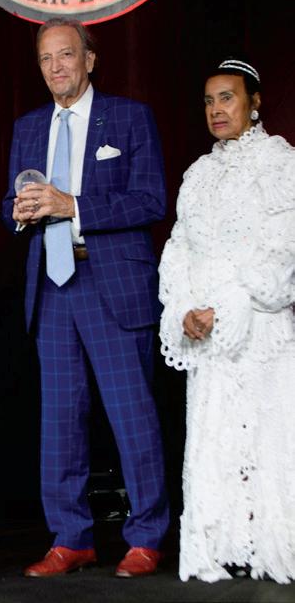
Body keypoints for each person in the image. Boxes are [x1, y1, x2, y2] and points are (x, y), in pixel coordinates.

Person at [3, 18, 169, 578]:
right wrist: (20, 212)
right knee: (60, 421)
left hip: (111, 283)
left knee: (132, 416)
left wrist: (72, 205)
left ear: (90, 60)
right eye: (46, 59)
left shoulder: (129, 117)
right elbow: (11, 208)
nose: (56, 67)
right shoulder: (28, 127)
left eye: (66, 55)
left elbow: (150, 200)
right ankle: (71, 537)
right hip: (51, 288)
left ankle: (147, 536)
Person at [158, 58, 295, 584]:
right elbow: (180, 248)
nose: (216, 109)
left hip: (258, 328)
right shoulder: (199, 174)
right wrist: (183, 307)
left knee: (265, 435)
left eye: (227, 98)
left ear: (253, 103)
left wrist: (230, 303)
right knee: (215, 437)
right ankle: (225, 545)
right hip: (208, 335)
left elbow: (283, 249)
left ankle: (271, 546)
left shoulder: (280, 164)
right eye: (209, 101)